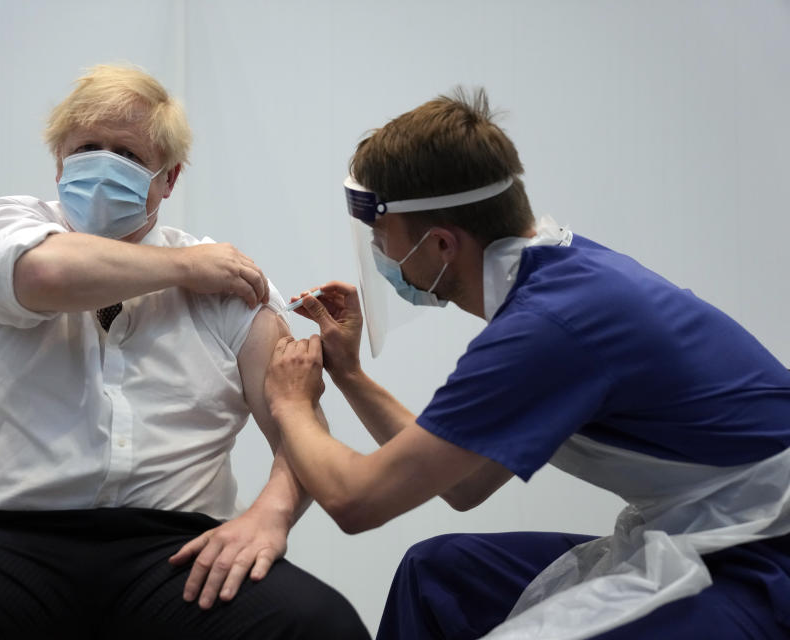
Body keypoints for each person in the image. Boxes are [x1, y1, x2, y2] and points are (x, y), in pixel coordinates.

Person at [0, 64, 369, 640]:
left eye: (129, 155)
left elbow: (298, 423)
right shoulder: (5, 229)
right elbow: (45, 275)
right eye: (87, 148)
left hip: (179, 548)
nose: (103, 165)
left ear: (169, 179)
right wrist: (186, 269)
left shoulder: (227, 283)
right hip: (5, 540)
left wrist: (271, 515)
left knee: (319, 625)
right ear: (60, 162)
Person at [262, 87, 790, 639]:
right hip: (715, 529)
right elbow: (462, 484)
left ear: (443, 244)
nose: (378, 252)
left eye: (380, 235)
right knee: (437, 575)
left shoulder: (551, 328)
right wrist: (348, 375)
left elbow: (356, 500)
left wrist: (291, 402)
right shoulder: (560, 276)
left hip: (761, 556)